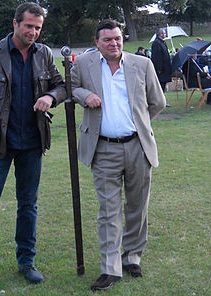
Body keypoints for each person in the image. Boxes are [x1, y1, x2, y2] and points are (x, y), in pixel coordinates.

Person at [0, 2, 66, 296]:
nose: (33, 32)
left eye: (38, 28)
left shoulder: (43, 54)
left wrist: (51, 98)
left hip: (32, 143)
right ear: (15, 23)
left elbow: (61, 86)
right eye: (29, 26)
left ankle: (26, 262)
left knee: (28, 206)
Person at [71, 20, 165, 291]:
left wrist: (140, 124)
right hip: (103, 148)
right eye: (108, 40)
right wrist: (85, 94)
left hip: (138, 146)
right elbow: (71, 87)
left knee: (137, 206)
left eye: (118, 38)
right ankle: (110, 268)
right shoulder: (84, 64)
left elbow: (156, 102)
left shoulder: (141, 64)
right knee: (108, 210)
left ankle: (132, 256)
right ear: (97, 42)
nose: (114, 43)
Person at [150, 28, 172, 94]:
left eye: (165, 33)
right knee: (160, 86)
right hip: (161, 69)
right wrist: (159, 69)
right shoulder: (157, 43)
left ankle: (163, 100)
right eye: (163, 33)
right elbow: (157, 57)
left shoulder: (163, 42)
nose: (164, 35)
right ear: (160, 34)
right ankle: (159, 101)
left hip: (165, 68)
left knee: (163, 86)